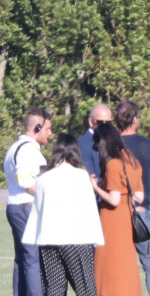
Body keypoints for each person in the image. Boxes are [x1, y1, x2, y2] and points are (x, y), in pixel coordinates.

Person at [22, 134, 104, 295]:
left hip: (49, 240)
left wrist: (34, 237)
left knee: (53, 289)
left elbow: (38, 209)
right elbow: (89, 208)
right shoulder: (81, 176)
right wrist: (96, 238)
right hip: (76, 240)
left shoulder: (44, 177)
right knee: (85, 289)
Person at [115, 100, 150, 296]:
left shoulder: (110, 145)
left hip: (116, 212)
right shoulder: (149, 145)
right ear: (135, 120)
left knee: (117, 265)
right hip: (140, 213)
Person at [90, 123, 144, 296]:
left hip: (112, 221)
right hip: (127, 216)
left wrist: (95, 187)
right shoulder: (132, 160)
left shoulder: (113, 164)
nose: (97, 148)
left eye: (98, 144)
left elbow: (113, 200)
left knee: (107, 263)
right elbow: (139, 196)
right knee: (125, 263)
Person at [4, 107, 52, 295]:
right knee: (32, 260)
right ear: (37, 127)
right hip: (25, 207)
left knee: (22, 259)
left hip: (18, 207)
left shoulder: (15, 148)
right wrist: (47, 198)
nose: (50, 133)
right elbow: (25, 181)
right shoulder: (27, 150)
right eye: (48, 128)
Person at [77, 103, 113, 180]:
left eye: (108, 123)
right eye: (100, 122)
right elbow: (90, 178)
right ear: (91, 122)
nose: (104, 126)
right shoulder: (82, 144)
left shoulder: (112, 142)